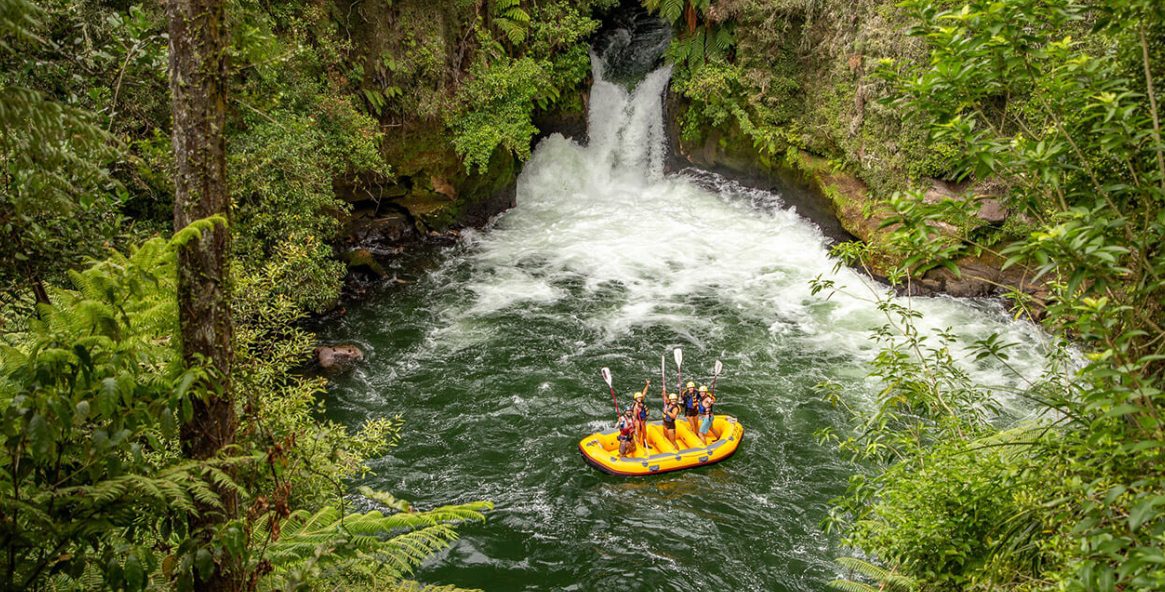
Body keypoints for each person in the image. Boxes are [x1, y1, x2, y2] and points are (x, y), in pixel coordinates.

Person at [631, 380, 650, 450]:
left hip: (643, 420)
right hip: (638, 421)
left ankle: (645, 444)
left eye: (640, 397)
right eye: (638, 398)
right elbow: (635, 416)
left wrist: (647, 384)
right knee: (638, 432)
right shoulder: (635, 406)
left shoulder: (642, 400)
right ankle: (638, 445)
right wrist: (637, 424)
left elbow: (644, 392)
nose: (640, 398)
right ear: (635, 399)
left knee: (645, 433)